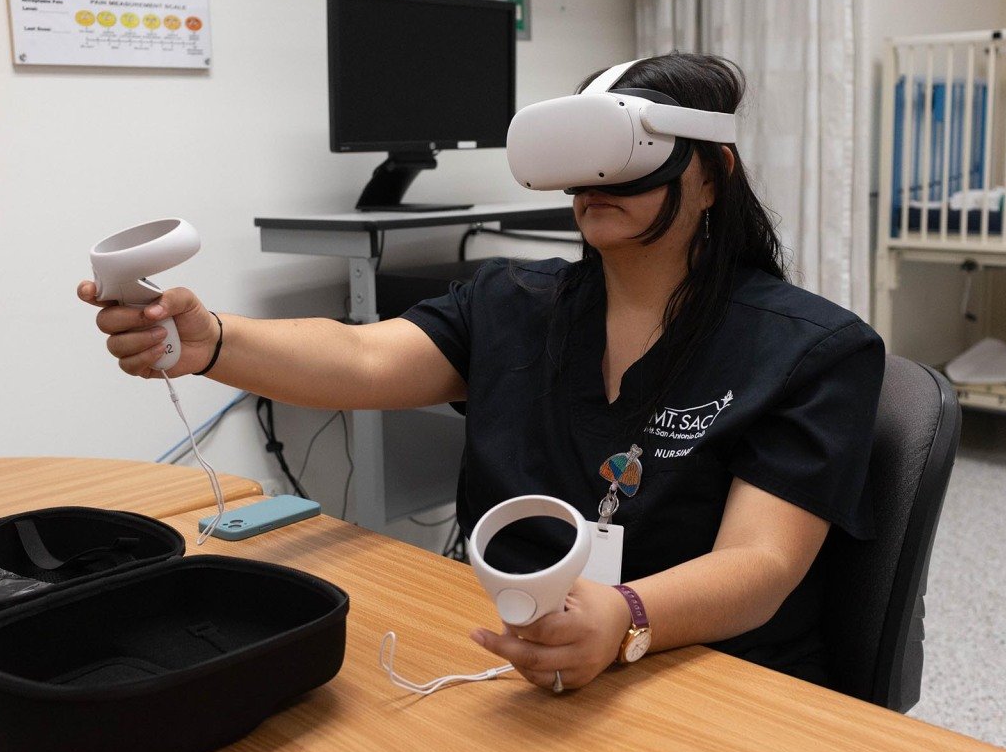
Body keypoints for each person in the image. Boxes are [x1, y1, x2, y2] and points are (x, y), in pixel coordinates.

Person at [78, 53, 884, 694]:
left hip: (705, 670)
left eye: (625, 156)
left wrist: (626, 614)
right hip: (508, 651)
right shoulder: (511, 301)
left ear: (713, 172)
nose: (595, 183)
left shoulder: (811, 349)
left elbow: (762, 564)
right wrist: (206, 339)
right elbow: (361, 356)